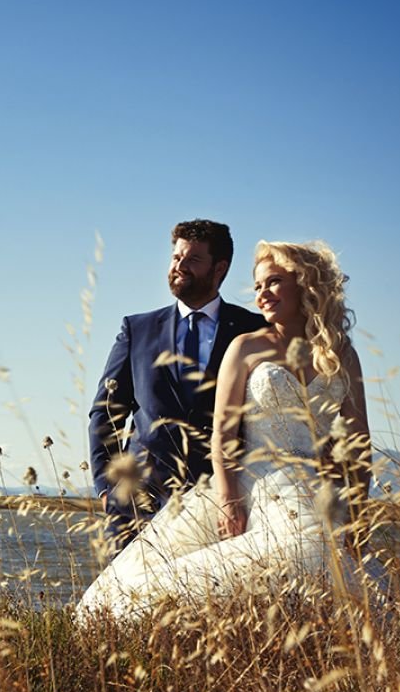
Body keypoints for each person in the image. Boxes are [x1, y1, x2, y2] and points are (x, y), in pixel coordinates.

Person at [78, 240, 372, 620]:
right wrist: (230, 499)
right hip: (258, 483)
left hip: (320, 489)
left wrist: (359, 512)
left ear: (305, 285)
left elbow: (359, 441)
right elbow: (224, 432)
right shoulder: (247, 347)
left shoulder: (339, 353)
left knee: (328, 565)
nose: (262, 294)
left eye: (274, 282)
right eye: (258, 286)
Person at [88, 219, 267, 550]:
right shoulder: (137, 329)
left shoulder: (253, 330)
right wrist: (106, 487)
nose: (179, 266)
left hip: (220, 504)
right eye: (175, 257)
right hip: (137, 504)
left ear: (219, 268)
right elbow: (106, 412)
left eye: (193, 259)